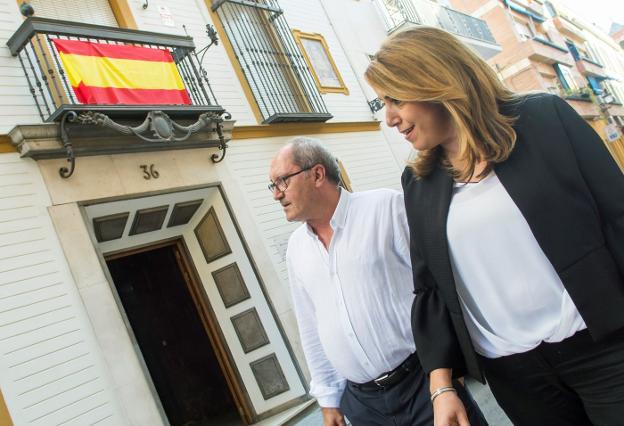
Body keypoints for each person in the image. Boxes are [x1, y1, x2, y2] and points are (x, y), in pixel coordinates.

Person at [364, 26, 624, 426]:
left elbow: (617, 215)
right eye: (383, 103)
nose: (390, 118)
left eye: (396, 99)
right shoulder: (417, 183)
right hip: (516, 376)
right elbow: (429, 288)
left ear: (435, 80)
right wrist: (442, 386)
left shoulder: (545, 119)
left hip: (604, 348)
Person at [269, 137, 486, 426]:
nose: (276, 194)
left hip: (423, 384)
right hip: (362, 407)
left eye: (282, 181)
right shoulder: (296, 249)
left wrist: (446, 377)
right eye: (273, 185)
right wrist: (329, 401)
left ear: (318, 174)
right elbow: (311, 327)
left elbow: (436, 287)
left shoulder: (385, 208)